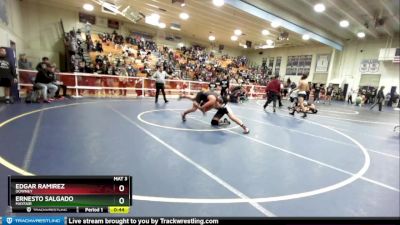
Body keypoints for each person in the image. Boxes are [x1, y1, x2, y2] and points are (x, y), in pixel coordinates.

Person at [179, 91, 250, 134]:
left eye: (221, 104)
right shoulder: (213, 101)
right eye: (218, 103)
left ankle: (244, 127)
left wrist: (244, 127)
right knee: (213, 122)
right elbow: (204, 110)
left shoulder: (223, 105)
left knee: (231, 117)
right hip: (203, 95)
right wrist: (197, 105)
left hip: (212, 99)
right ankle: (183, 113)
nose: (219, 105)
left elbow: (233, 117)